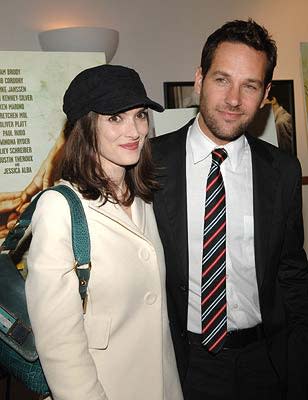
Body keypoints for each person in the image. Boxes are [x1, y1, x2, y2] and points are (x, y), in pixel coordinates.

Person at [151, 19, 308, 400]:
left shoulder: (283, 170)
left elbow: (291, 272)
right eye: (222, 80)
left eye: (249, 85)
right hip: (184, 364)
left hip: (266, 362)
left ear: (266, 93)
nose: (234, 99)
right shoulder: (151, 163)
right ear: (199, 79)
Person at [25, 64, 183, 400]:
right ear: (85, 126)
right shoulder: (59, 209)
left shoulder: (146, 199)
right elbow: (59, 343)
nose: (135, 130)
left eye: (140, 115)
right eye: (115, 118)